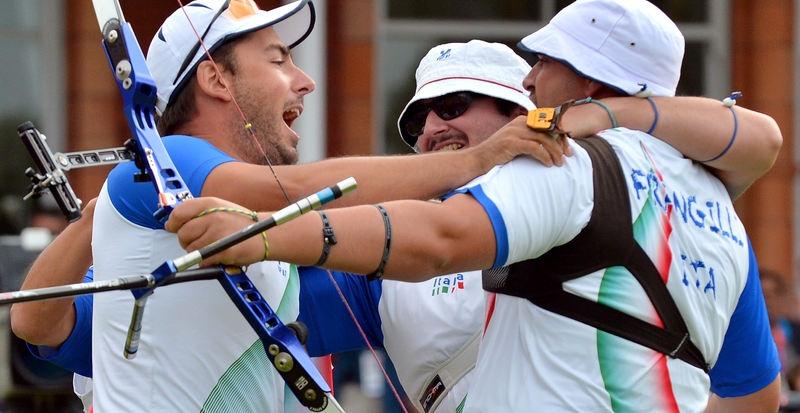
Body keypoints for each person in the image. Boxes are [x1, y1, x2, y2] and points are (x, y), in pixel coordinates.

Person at [11, 34, 781, 413]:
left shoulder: (657, 209)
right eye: (418, 122)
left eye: (457, 109)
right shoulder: (380, 276)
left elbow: (752, 396)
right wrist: (120, 197)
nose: (433, 132)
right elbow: (50, 333)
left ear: (530, 118)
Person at [31, 0, 562, 413]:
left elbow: (382, 245)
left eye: (453, 107)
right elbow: (39, 325)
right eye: (279, 59)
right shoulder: (166, 161)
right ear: (217, 79)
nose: (305, 81)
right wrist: (93, 221)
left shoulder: (281, 259)